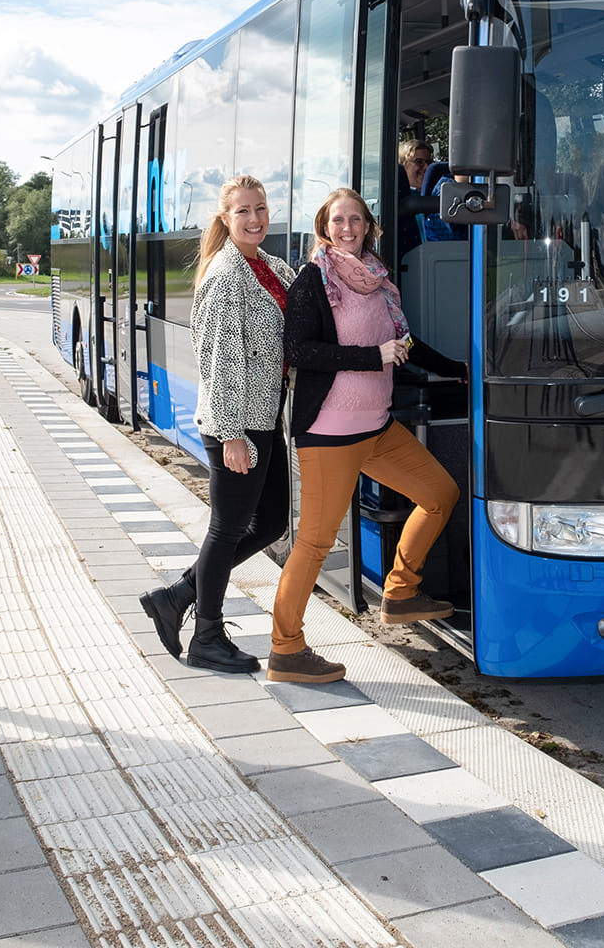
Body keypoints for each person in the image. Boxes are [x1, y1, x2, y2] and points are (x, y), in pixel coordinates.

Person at [269, 188, 463, 684]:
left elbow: (402, 344)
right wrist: (370, 357)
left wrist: (456, 369)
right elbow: (299, 350)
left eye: (356, 219)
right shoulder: (314, 279)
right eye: (338, 220)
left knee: (440, 494)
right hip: (330, 434)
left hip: (376, 428)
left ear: (368, 226)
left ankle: (400, 591)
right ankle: (285, 649)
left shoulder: (377, 281)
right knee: (313, 543)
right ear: (324, 227)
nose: (347, 228)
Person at [138, 175, 294, 673]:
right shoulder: (228, 274)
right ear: (226, 220)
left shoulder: (269, 266)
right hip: (237, 422)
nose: (255, 219)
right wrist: (230, 434)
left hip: (265, 415)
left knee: (269, 522)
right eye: (244, 211)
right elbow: (218, 359)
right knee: (226, 528)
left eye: (261, 209)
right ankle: (205, 636)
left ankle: (177, 595)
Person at [396, 139, 434, 255]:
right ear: (403, 165)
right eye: (419, 162)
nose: (426, 168)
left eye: (429, 162)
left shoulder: (436, 197)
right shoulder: (395, 200)